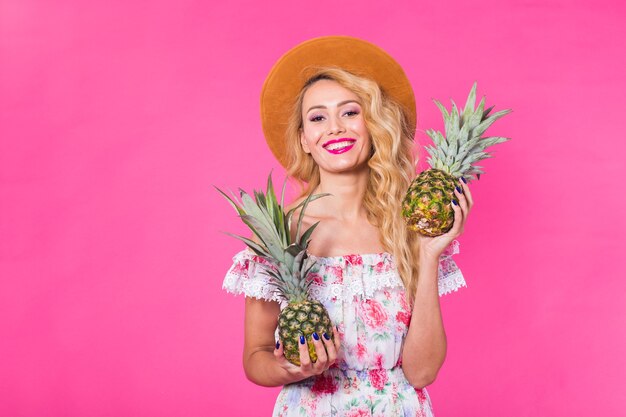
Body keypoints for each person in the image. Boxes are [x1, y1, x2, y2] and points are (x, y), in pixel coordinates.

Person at [222, 36, 471, 416]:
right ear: (305, 139)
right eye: (318, 117)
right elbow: (254, 358)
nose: (334, 128)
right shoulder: (281, 233)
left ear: (373, 125)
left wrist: (430, 251)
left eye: (350, 112)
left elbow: (421, 372)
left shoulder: (408, 226)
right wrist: (287, 367)